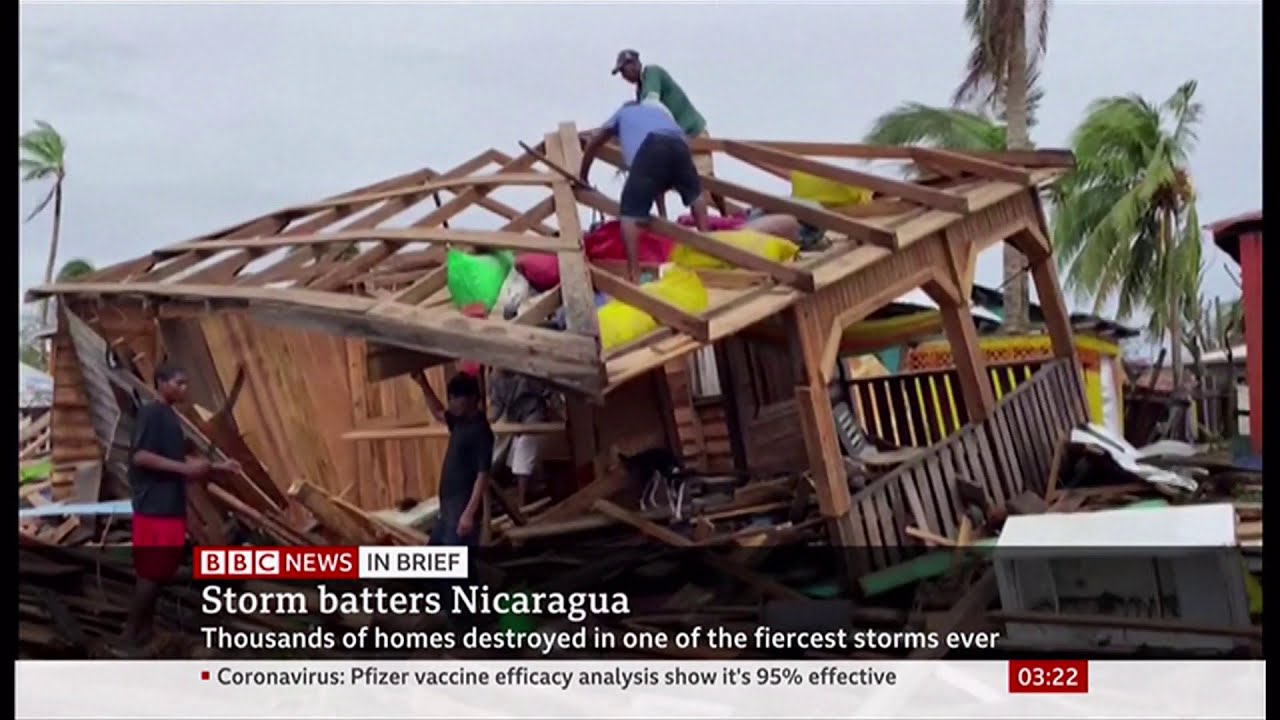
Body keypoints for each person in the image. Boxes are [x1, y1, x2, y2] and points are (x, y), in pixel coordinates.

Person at [120, 364, 237, 654]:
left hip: (169, 507)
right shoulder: (151, 413)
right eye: (178, 383)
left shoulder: (170, 416)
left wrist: (219, 467)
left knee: (160, 573)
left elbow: (177, 460)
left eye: (186, 383)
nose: (184, 388)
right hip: (154, 509)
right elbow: (141, 457)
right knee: (150, 574)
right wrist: (186, 469)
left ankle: (145, 633)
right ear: (161, 383)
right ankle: (130, 636)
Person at [580, 100, 711, 283]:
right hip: (679, 145)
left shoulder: (623, 113)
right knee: (694, 195)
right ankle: (709, 246)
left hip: (651, 146)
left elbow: (595, 142)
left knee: (629, 215)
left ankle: (634, 275)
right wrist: (663, 212)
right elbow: (657, 181)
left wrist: (583, 175)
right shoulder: (657, 113)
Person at [612, 49, 727, 216]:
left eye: (624, 70)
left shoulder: (651, 73)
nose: (624, 76)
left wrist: (631, 108)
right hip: (676, 140)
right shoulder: (640, 90)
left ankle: (723, 216)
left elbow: (651, 102)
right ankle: (664, 219)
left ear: (635, 64)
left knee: (703, 180)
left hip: (692, 132)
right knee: (660, 176)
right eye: (622, 73)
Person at [414, 371, 494, 547]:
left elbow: (483, 476)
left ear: (472, 398)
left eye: (457, 398)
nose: (452, 403)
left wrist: (469, 514)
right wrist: (423, 383)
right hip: (447, 511)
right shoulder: (460, 421)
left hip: (461, 510)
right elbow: (438, 412)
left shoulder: (480, 431)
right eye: (450, 398)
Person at [487, 369, 550, 506]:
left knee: (524, 447)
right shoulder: (495, 377)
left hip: (533, 414)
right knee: (502, 449)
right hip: (514, 419)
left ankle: (522, 501)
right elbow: (497, 405)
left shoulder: (527, 372)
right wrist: (488, 420)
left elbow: (546, 393)